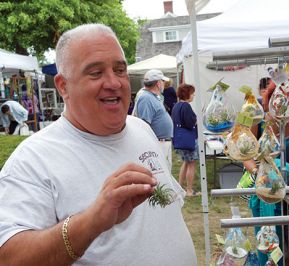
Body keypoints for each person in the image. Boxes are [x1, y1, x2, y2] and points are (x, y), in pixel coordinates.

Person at [0, 24, 196, 265]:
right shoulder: (33, 160)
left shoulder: (141, 129)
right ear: (63, 86)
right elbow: (8, 258)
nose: (114, 82)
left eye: (120, 70)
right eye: (95, 73)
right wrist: (93, 220)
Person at [245, 75, 289, 266]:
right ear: (271, 99)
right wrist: (256, 172)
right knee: (269, 246)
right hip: (266, 193)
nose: (284, 102)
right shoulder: (259, 122)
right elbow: (246, 154)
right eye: (279, 98)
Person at [133, 69, 174, 170]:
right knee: (160, 176)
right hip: (157, 144)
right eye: (163, 81)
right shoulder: (146, 98)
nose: (164, 84)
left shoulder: (152, 96)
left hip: (161, 142)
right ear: (158, 83)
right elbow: (144, 125)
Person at [172, 83, 199, 197]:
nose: (193, 96)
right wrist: (196, 120)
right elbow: (189, 123)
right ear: (187, 94)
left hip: (180, 139)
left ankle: (179, 187)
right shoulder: (186, 106)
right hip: (188, 140)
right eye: (192, 93)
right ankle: (189, 190)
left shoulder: (176, 106)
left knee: (186, 163)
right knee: (191, 164)